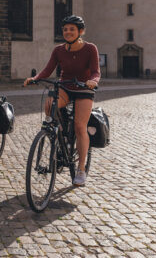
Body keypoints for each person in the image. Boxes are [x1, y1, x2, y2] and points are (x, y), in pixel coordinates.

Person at [23, 15, 100, 187]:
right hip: (65, 86)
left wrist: (93, 81)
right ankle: (60, 134)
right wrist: (35, 78)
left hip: (83, 89)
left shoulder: (90, 48)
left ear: (80, 31)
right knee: (50, 104)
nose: (68, 32)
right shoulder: (58, 50)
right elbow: (48, 69)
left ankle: (81, 169)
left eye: (72, 29)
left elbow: (96, 71)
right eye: (65, 29)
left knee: (80, 127)